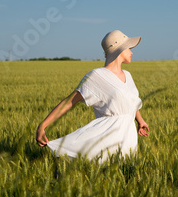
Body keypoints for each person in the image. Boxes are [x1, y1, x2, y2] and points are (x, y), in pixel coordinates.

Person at [35, 30, 149, 163]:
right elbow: (69, 102)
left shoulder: (128, 76)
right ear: (120, 50)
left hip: (129, 137)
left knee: (126, 172)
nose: (132, 52)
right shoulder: (97, 76)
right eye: (129, 48)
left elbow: (131, 102)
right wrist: (42, 126)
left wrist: (140, 121)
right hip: (108, 138)